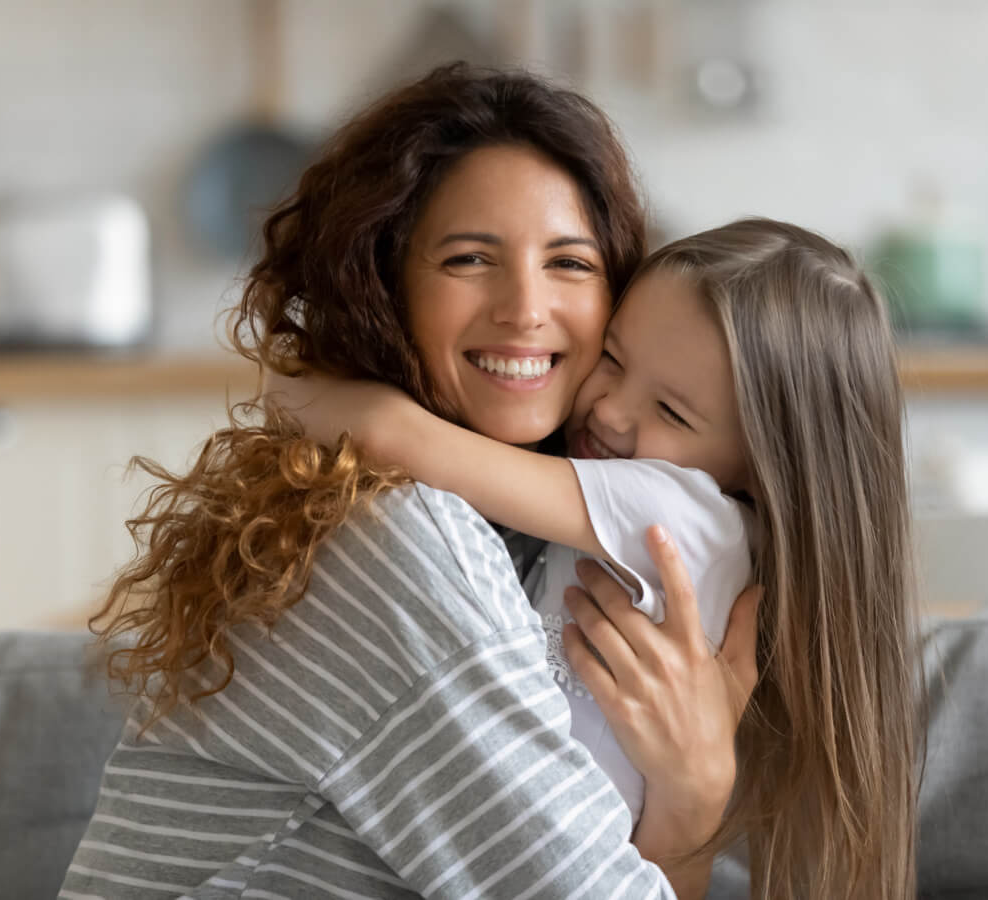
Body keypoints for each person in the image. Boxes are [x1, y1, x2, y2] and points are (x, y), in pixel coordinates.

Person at [60, 63, 753, 900]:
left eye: (569, 262)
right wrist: (692, 800)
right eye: (469, 259)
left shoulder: (527, 537)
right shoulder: (402, 544)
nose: (525, 308)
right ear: (385, 286)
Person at [273, 218, 923, 898]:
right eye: (611, 359)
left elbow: (393, 437)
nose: (610, 411)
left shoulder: (681, 512)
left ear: (766, 464)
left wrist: (284, 387)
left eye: (671, 410)